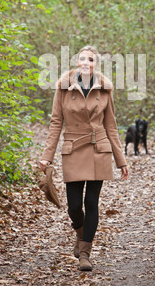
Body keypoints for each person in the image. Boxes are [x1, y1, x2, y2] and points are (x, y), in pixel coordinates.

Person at [39, 45, 129, 271]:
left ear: (96, 64)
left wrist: (121, 161)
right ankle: (80, 232)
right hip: (73, 148)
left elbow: (111, 125)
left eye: (91, 59)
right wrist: (46, 157)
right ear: (77, 62)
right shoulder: (63, 87)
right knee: (74, 206)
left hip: (99, 149)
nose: (86, 62)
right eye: (82, 59)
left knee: (91, 203)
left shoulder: (105, 89)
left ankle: (85, 254)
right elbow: (56, 122)